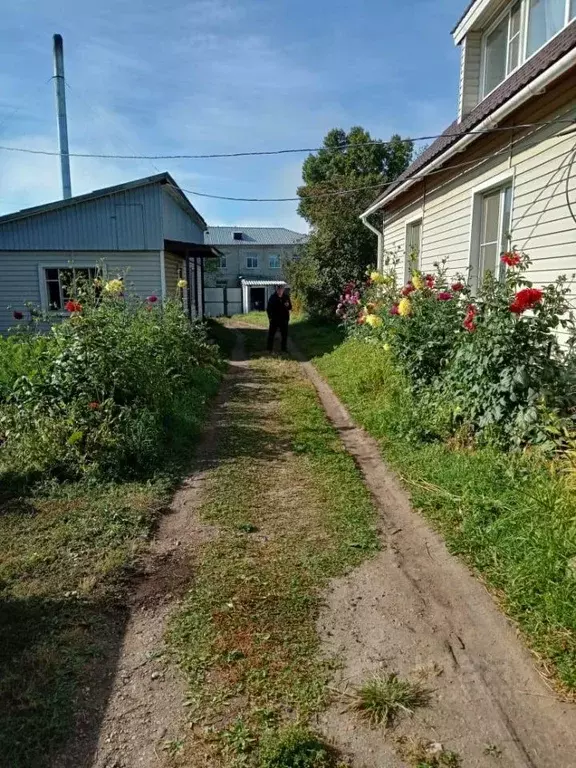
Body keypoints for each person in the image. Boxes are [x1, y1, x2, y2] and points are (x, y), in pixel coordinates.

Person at [267, 284, 292, 352]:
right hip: (274, 319)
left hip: (284, 319)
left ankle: (284, 349)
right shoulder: (273, 297)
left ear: (283, 290)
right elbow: (268, 309)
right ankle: (269, 349)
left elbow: (290, 307)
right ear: (276, 289)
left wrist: (287, 306)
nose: (280, 290)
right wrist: (270, 318)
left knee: (284, 335)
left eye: (281, 289)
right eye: (278, 289)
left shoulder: (286, 297)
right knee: (271, 335)